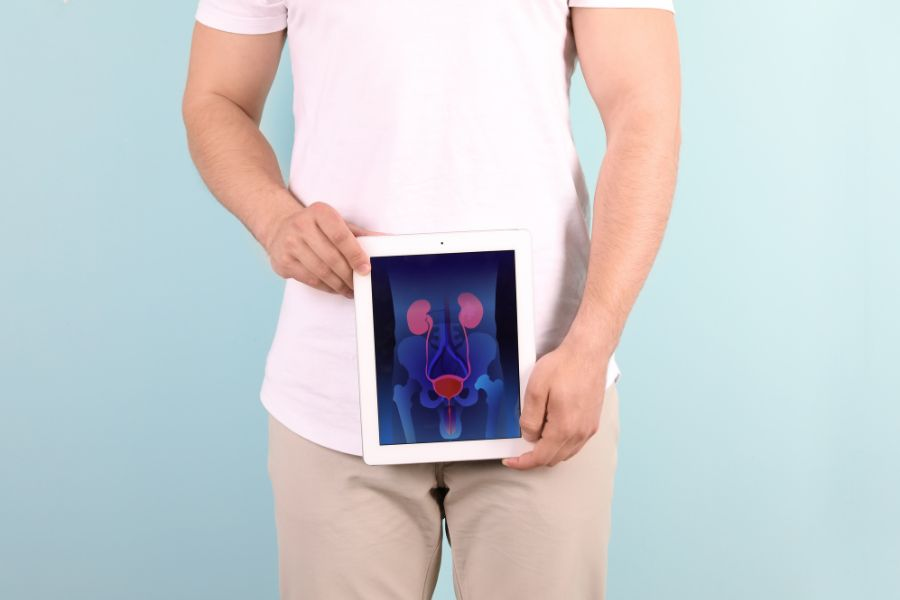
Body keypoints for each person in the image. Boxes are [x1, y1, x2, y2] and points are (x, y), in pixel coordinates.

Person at [182, 1, 680, 598]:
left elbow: (643, 109)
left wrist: (593, 342)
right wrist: (273, 219)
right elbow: (216, 98)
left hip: (544, 379)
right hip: (335, 385)